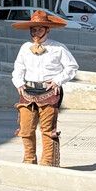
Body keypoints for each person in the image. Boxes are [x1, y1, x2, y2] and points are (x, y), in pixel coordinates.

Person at [11, 10, 77, 166]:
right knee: (25, 129)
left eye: (40, 29)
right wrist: (18, 82)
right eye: (33, 29)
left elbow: (72, 67)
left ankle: (48, 162)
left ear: (48, 29)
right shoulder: (25, 47)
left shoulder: (58, 48)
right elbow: (18, 68)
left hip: (49, 93)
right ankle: (29, 159)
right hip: (27, 91)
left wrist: (58, 80)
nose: (36, 32)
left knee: (47, 130)